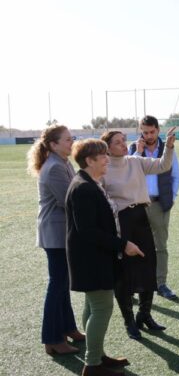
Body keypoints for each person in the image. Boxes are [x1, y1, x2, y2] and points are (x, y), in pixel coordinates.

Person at [66, 138, 143, 376]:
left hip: (94, 257)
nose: (107, 160)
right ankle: (92, 365)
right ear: (89, 160)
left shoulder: (90, 182)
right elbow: (88, 231)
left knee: (93, 306)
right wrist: (123, 244)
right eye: (102, 157)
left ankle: (96, 355)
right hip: (91, 259)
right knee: (101, 308)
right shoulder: (84, 188)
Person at [101, 129, 176, 340]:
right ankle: (129, 321)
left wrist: (169, 147)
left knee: (147, 266)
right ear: (107, 147)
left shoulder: (134, 161)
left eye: (124, 140)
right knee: (124, 273)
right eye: (118, 142)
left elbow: (163, 165)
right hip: (120, 222)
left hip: (141, 218)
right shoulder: (103, 168)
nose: (124, 144)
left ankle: (145, 315)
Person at [27, 125, 85, 355]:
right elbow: (69, 200)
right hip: (55, 234)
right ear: (53, 144)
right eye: (68, 139)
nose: (72, 143)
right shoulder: (53, 168)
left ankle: (68, 328)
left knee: (62, 284)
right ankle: (52, 339)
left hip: (60, 233)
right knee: (57, 284)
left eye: (72, 138)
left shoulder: (63, 162)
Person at [128, 115, 179, 301]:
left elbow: (176, 176)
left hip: (160, 204)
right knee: (135, 245)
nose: (149, 135)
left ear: (158, 130)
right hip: (137, 205)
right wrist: (138, 151)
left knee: (160, 247)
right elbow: (128, 174)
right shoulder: (134, 149)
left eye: (152, 132)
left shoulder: (168, 149)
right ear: (140, 132)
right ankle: (135, 285)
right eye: (145, 132)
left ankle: (161, 284)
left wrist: (171, 199)